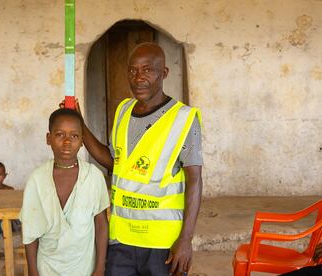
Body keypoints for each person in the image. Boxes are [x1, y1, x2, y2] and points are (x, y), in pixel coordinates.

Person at [80, 42, 203, 276]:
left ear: (164, 73)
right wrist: (81, 127)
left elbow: (195, 181)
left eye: (147, 69)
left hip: (162, 244)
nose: (138, 77)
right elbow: (114, 162)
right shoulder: (123, 111)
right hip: (121, 240)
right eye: (132, 70)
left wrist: (185, 240)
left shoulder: (184, 119)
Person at [20, 108, 110, 276]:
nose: (67, 142)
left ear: (82, 140)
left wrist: (100, 268)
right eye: (60, 135)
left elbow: (101, 224)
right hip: (47, 267)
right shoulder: (37, 179)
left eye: (74, 136)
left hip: (84, 267)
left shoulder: (93, 177)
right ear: (49, 139)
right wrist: (33, 270)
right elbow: (30, 229)